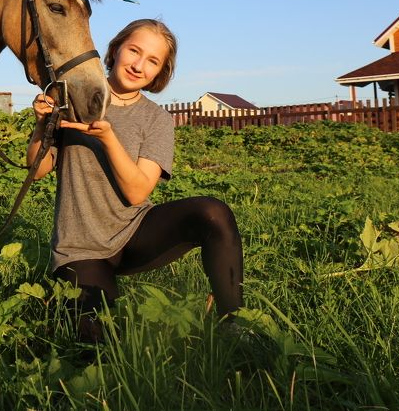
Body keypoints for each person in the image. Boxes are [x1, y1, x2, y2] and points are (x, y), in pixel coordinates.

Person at [27, 18, 244, 342]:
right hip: (80, 247)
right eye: (134, 51)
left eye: (153, 60)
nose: (139, 65)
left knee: (213, 212)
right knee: (101, 341)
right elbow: (37, 169)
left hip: (135, 234)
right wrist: (42, 124)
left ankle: (235, 326)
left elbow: (137, 191)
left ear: (161, 73)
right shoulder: (74, 99)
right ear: (115, 50)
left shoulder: (156, 119)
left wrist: (108, 138)